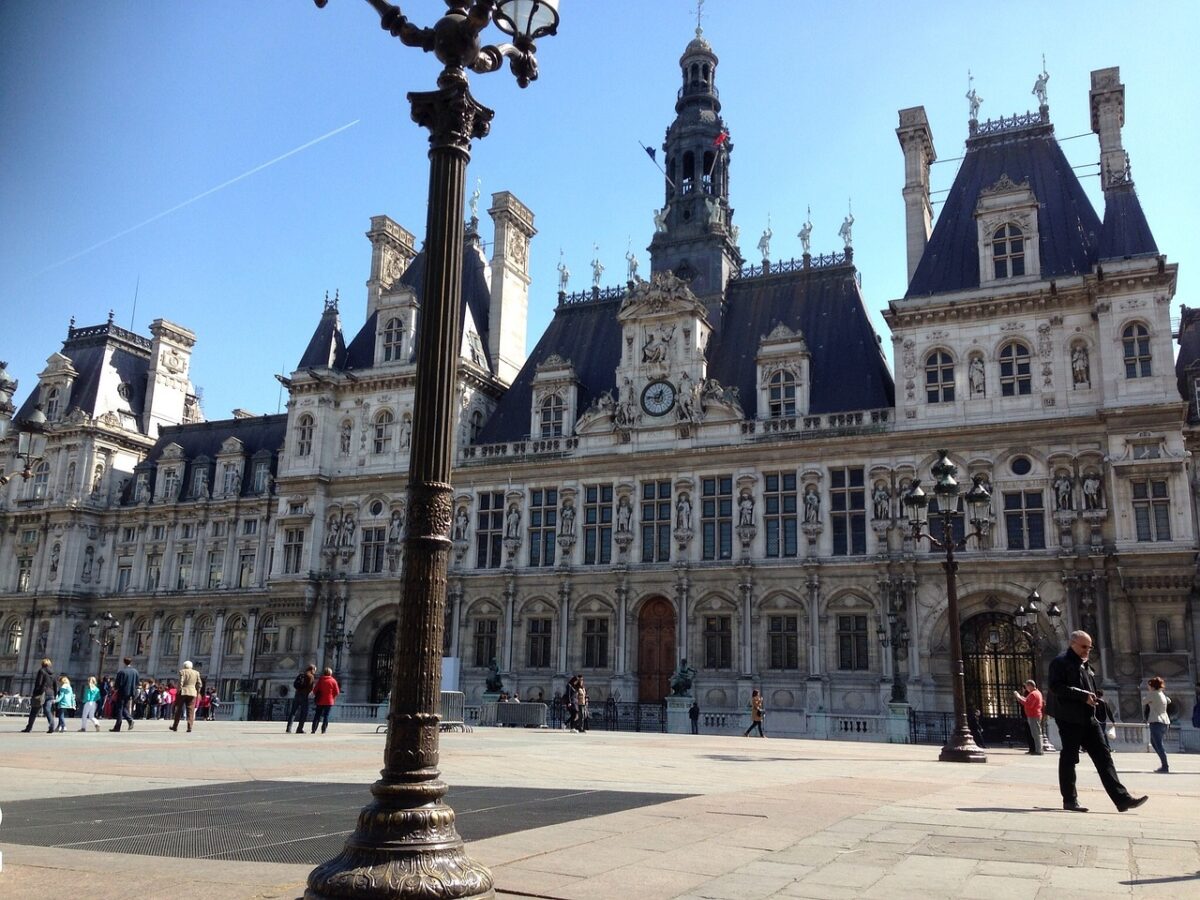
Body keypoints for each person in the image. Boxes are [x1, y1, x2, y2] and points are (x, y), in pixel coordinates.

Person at [1048, 630, 1147, 812]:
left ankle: (1122, 799)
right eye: (1084, 647)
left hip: (1088, 718)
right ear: (1073, 644)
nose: (1087, 650)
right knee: (1070, 758)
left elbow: (1088, 687)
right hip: (1069, 718)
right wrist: (1082, 695)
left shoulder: (1085, 665)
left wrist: (1094, 699)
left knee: (1104, 757)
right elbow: (1055, 687)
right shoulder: (1060, 662)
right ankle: (1070, 800)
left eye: (1090, 647)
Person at [1143, 676, 1171, 774]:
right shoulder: (1162, 693)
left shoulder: (1153, 694)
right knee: (1154, 742)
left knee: (1158, 744)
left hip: (1156, 721)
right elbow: (1169, 701)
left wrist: (1149, 698)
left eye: (1149, 686)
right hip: (1165, 721)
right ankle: (1164, 763)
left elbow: (1143, 702)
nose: (1148, 687)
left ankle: (1165, 766)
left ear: (1152, 686)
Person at [22, 658, 56, 733]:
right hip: (51, 694)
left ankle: (29, 728)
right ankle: (52, 725)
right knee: (47, 710)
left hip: (41, 693)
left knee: (34, 711)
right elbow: (55, 685)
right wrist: (55, 695)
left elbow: (39, 683)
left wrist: (35, 693)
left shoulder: (41, 671)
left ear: (42, 664)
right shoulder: (53, 673)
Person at [1013, 679, 1044, 754]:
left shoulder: (1033, 694)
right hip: (1034, 715)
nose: (1026, 688)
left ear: (1030, 686)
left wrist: (1018, 697)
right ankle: (1038, 750)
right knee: (1036, 733)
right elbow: (1027, 700)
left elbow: (1028, 704)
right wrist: (1020, 697)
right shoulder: (1035, 693)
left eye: (1026, 686)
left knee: (1035, 734)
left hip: (1033, 715)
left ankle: (1038, 750)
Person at [171, 661, 202, 733]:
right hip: (192, 693)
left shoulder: (182, 672)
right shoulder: (196, 673)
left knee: (178, 710)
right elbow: (199, 684)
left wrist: (179, 690)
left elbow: (181, 682)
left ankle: (175, 726)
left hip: (183, 692)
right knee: (191, 711)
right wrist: (197, 691)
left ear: (184, 666)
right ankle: (189, 727)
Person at [110, 657, 139, 732]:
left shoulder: (122, 672)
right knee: (124, 707)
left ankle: (118, 726)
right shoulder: (135, 672)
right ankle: (130, 720)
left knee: (119, 708)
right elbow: (137, 683)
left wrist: (114, 689)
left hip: (122, 692)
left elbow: (118, 684)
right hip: (131, 692)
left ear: (124, 662)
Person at [287, 664, 316, 734]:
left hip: (297, 694)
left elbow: (295, 684)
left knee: (293, 712)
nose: (315, 672)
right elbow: (311, 688)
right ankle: (299, 728)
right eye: (315, 670)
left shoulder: (301, 674)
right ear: (312, 669)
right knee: (303, 713)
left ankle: (288, 728)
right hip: (304, 696)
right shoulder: (311, 676)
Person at [311, 667, 341, 735]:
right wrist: (332, 697)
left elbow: (315, 690)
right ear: (330, 673)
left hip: (320, 700)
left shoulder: (321, 680)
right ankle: (323, 730)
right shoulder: (333, 681)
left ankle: (313, 729)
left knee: (317, 715)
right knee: (326, 716)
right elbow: (337, 692)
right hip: (329, 701)